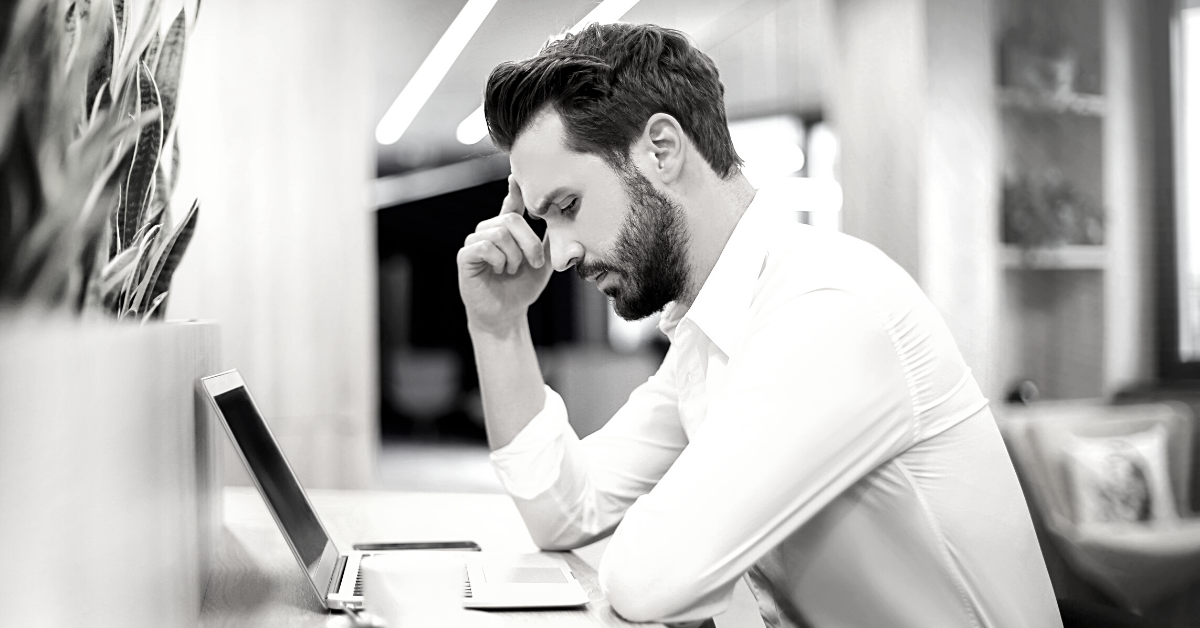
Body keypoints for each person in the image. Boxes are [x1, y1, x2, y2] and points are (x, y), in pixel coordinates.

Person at [455, 22, 1061, 628]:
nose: (557, 255)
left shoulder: (827, 307)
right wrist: (500, 327)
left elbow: (652, 579)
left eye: (567, 207)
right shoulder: (710, 333)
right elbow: (566, 511)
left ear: (661, 149)